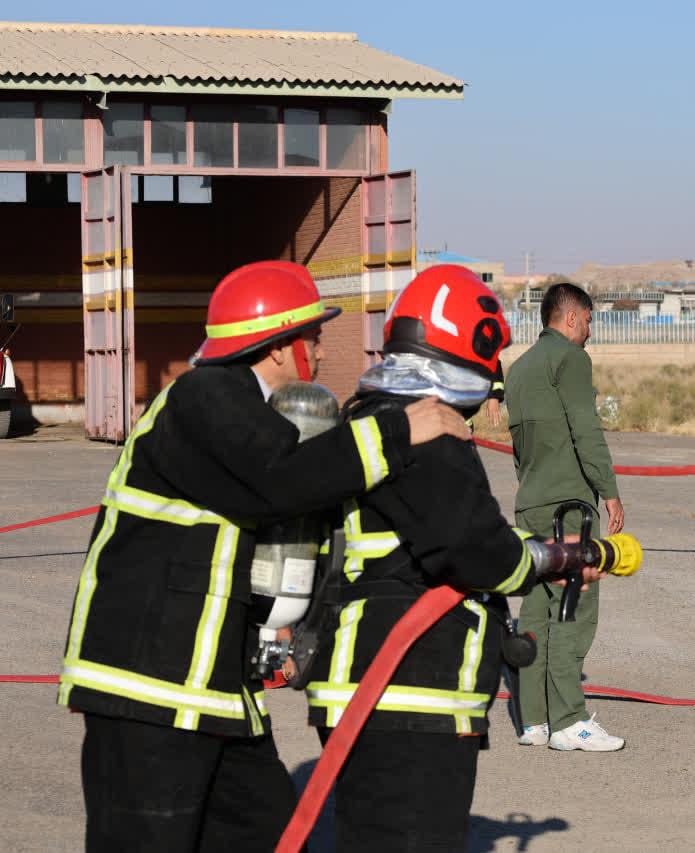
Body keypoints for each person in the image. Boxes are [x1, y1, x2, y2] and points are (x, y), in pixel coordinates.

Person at [58, 260, 470, 852]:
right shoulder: (203, 396)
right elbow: (280, 479)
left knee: (272, 835)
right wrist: (399, 432)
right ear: (279, 346)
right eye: (314, 338)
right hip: (148, 692)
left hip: (215, 695)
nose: (322, 353)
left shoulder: (247, 411)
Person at [303, 265, 609, 850]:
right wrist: (559, 557)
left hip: (370, 688)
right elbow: (477, 550)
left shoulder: (371, 417)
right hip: (407, 695)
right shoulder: (427, 433)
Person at [506, 282, 626, 751]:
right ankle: (569, 721)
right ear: (572, 317)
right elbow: (585, 429)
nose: (591, 331)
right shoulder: (570, 359)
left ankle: (533, 719)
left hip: (532, 501)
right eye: (590, 320)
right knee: (574, 605)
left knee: (537, 608)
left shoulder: (518, 370)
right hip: (568, 506)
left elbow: (520, 450)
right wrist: (609, 491)